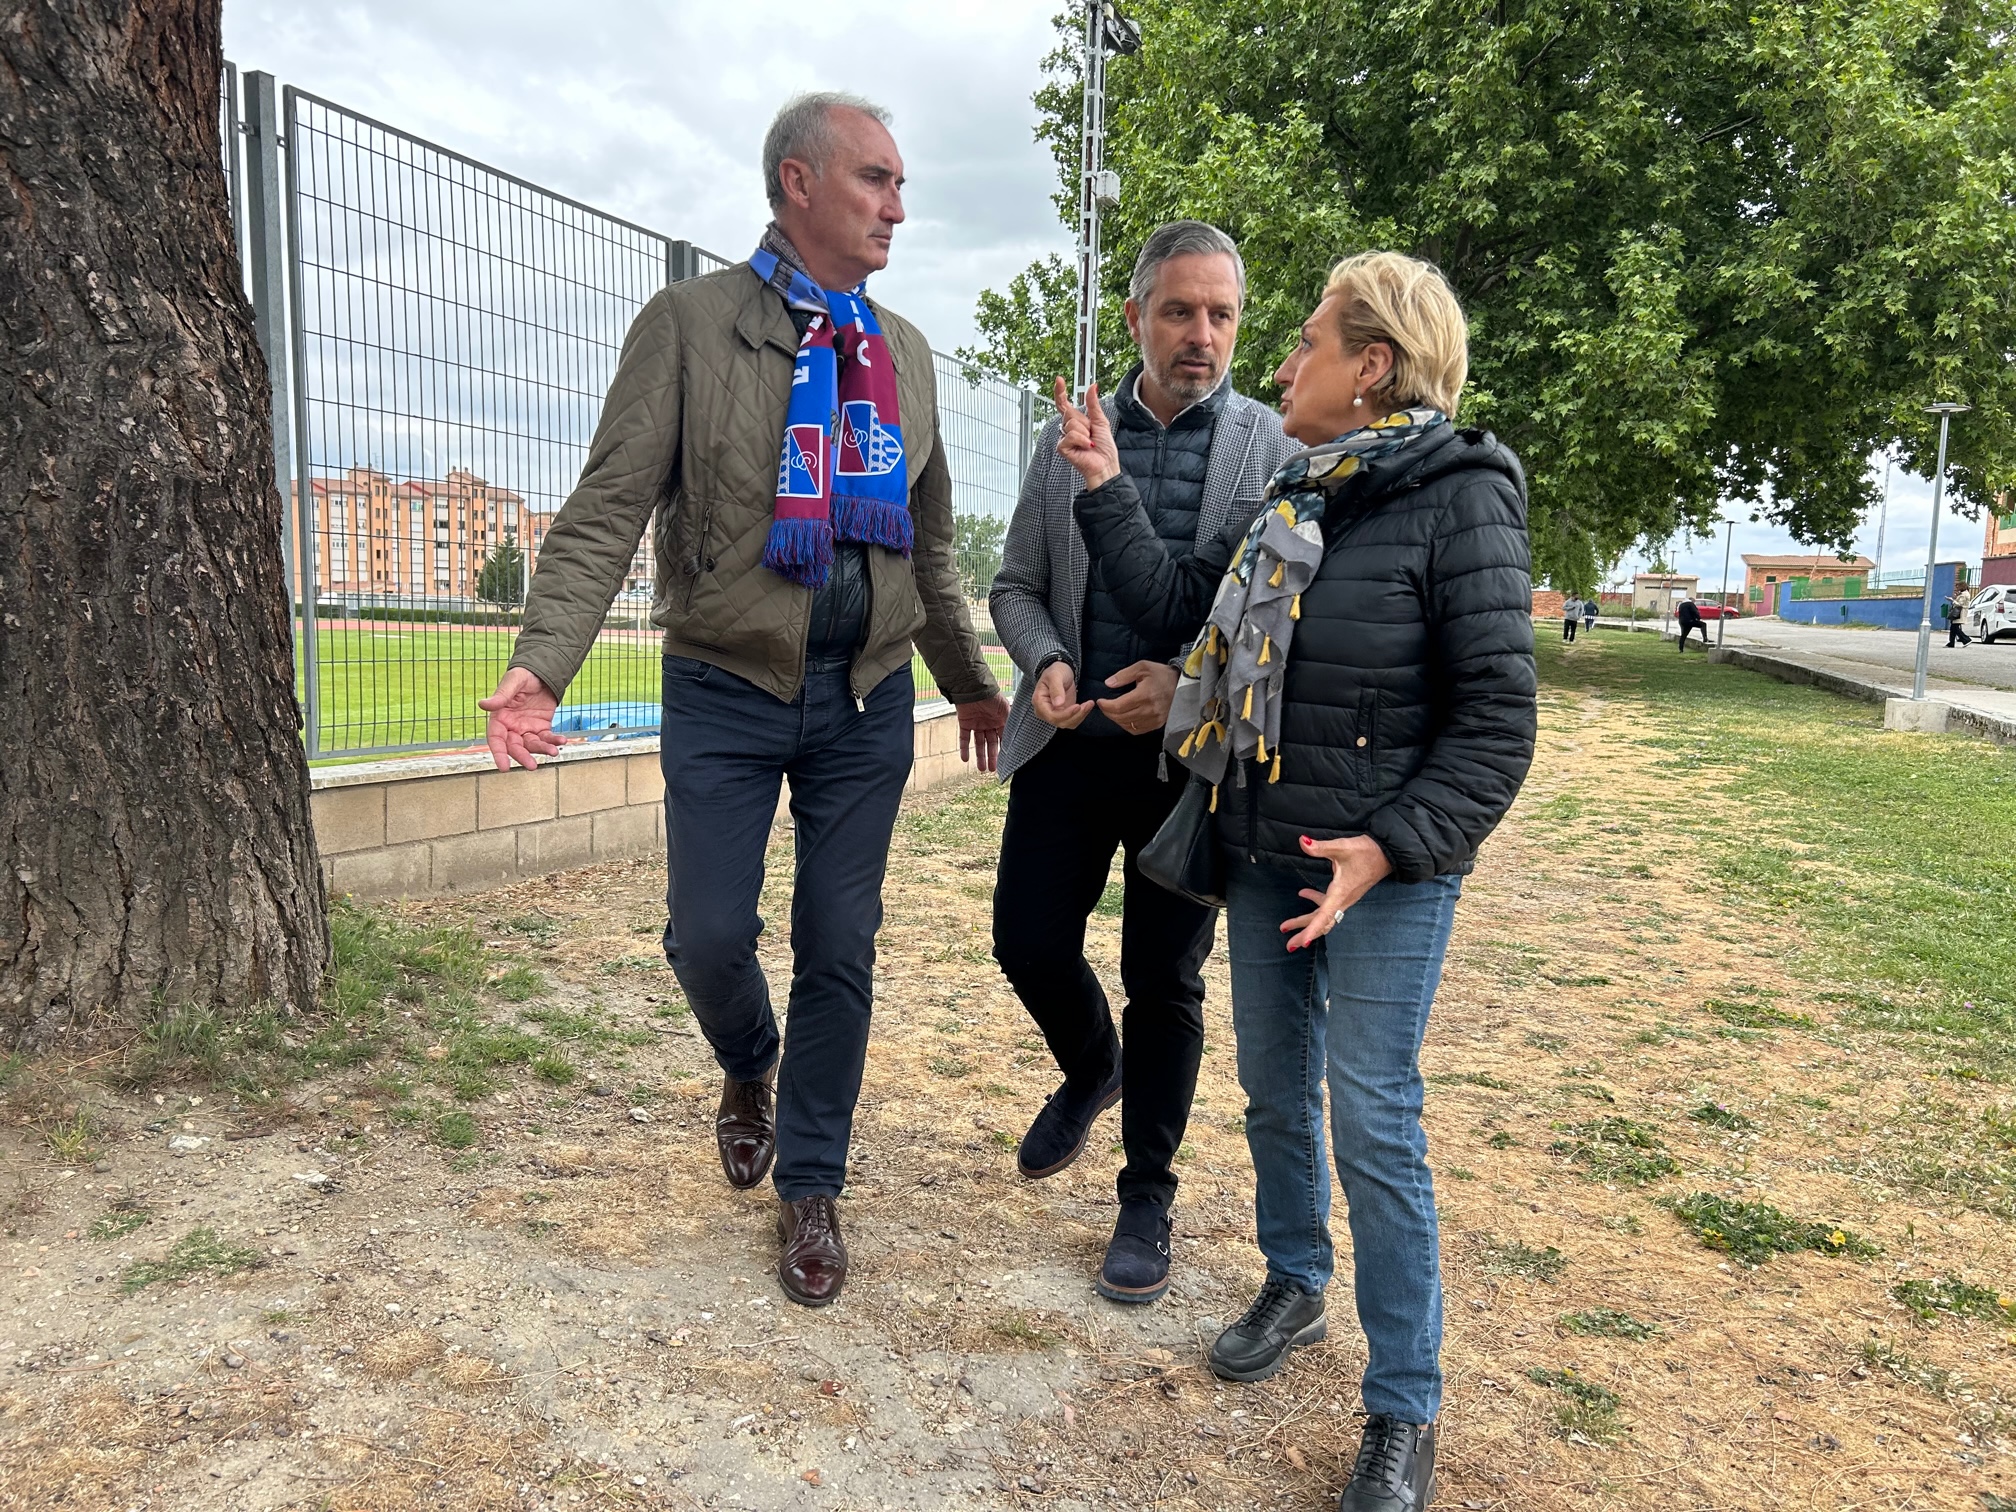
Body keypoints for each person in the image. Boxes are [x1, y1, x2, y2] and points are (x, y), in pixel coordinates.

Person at [478, 92, 1009, 1308]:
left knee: (840, 939)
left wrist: (971, 686)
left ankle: (812, 1182)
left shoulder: (905, 354)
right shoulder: (688, 327)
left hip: (865, 699)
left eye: (902, 182)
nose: (898, 205)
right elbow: (608, 505)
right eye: (876, 179)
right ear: (798, 183)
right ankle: (749, 1064)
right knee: (706, 934)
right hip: (722, 685)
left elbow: (929, 552)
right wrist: (541, 660)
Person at [1057, 251, 1535, 1512]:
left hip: (1385, 868)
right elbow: (1182, 612)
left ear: (1372, 369)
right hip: (1272, 854)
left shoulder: (1463, 496)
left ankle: (1404, 1407)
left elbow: (1497, 720)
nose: (1278, 362)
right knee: (1275, 1089)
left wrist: (1389, 847)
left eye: (1306, 343)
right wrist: (1105, 488)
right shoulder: (1298, 491)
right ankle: (1294, 1276)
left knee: (1372, 1118)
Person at [989, 222, 1295, 1305]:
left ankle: (1147, 1196)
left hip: (1188, 768)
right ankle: (1089, 1068)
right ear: (1135, 318)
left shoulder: (1273, 450)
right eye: (1179, 311)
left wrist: (1189, 686)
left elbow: (1271, 627)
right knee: (1024, 940)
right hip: (1070, 750)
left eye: (1220, 315)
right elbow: (1014, 583)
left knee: (1162, 983)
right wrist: (1047, 659)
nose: (1200, 335)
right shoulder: (1069, 434)